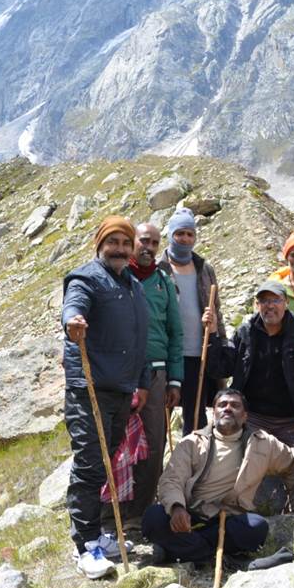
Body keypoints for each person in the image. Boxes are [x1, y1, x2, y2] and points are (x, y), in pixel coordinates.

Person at [61, 216, 150, 569]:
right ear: (100, 245)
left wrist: (141, 382)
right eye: (112, 242)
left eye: (126, 243)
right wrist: (72, 323)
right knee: (89, 465)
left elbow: (140, 340)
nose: (120, 249)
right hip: (90, 389)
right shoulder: (86, 278)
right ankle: (84, 547)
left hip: (121, 390)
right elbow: (74, 306)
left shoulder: (133, 286)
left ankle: (96, 535)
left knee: (105, 465)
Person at [143, 389, 294, 565]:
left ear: (245, 416)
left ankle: (177, 551)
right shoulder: (192, 442)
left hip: (227, 519)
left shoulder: (264, 444)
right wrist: (176, 507)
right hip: (189, 515)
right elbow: (171, 479)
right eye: (222, 405)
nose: (227, 409)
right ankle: (218, 557)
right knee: (154, 517)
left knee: (256, 527)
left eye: (235, 405)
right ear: (214, 413)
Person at [206, 278, 294, 446]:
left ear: (286, 302)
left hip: (291, 422)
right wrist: (212, 334)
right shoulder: (245, 332)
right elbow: (220, 369)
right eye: (264, 300)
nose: (270, 306)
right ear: (257, 304)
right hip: (251, 417)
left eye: (276, 300)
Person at [127, 221, 182, 524]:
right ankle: (111, 511)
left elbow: (175, 333)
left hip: (157, 375)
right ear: (132, 241)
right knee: (117, 442)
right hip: (120, 373)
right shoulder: (117, 276)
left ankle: (142, 512)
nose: (148, 248)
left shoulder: (163, 281)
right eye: (143, 241)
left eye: (154, 243)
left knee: (153, 441)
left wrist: (175, 379)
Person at [157, 208, 223, 433]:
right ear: (170, 235)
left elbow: (217, 310)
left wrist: (218, 338)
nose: (185, 239)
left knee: (195, 417)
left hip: (198, 353)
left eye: (189, 234)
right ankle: (161, 466)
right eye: (180, 233)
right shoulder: (159, 269)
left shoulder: (205, 269)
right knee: (161, 414)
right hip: (167, 355)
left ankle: (195, 462)